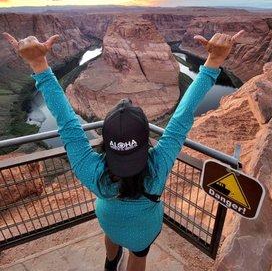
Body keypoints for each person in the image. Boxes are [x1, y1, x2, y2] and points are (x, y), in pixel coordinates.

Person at [2, 29, 244, 271]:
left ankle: (110, 264)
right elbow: (184, 114)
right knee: (139, 255)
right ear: (145, 140)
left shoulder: (92, 170)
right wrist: (214, 62)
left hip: (109, 219)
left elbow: (66, 121)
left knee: (113, 236)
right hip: (144, 227)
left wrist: (37, 63)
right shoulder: (156, 169)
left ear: (106, 142)